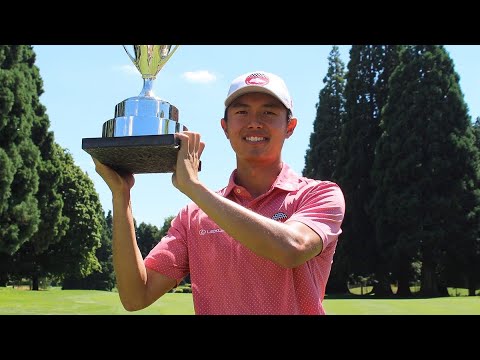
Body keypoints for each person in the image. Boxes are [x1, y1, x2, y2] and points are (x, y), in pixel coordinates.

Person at [93, 70, 345, 315]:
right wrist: (121, 197)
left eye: (268, 112)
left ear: (290, 126)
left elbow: (292, 249)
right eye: (241, 112)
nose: (254, 122)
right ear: (225, 127)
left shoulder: (320, 195)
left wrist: (194, 187)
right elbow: (136, 296)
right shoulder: (193, 216)